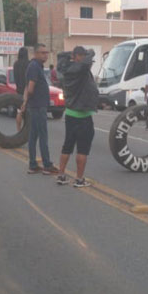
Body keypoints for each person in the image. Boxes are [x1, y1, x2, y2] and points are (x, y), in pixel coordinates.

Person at [56, 46, 98, 188]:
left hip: (70, 114)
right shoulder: (80, 70)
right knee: (82, 149)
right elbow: (86, 63)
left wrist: (73, 55)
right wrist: (90, 52)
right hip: (83, 115)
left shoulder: (64, 68)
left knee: (67, 146)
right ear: (79, 56)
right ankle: (79, 179)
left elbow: (61, 55)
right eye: (84, 55)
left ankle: (61, 175)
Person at [19, 44, 59, 175]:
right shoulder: (34, 67)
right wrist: (28, 100)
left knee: (34, 135)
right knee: (42, 135)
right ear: (35, 54)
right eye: (42, 53)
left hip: (36, 105)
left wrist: (26, 102)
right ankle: (47, 165)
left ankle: (33, 165)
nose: (45, 55)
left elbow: (27, 87)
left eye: (46, 52)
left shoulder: (36, 66)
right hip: (37, 106)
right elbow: (30, 88)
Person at [13, 47, 29, 131]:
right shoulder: (29, 64)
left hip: (19, 90)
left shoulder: (16, 64)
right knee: (29, 112)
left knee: (19, 111)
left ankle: (18, 129)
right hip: (28, 91)